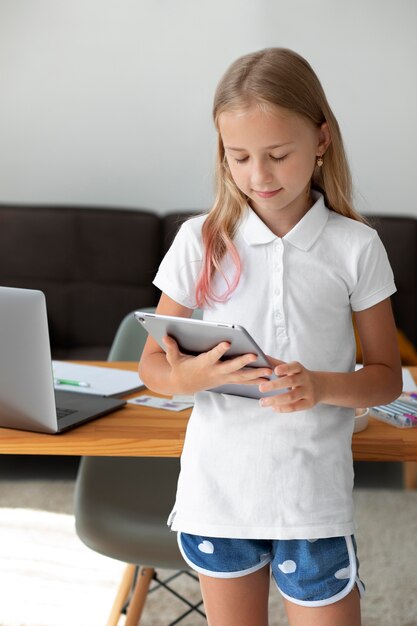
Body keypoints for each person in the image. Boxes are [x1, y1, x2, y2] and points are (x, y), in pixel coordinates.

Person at [138, 48, 402, 626]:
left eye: (278, 156)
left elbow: (386, 379)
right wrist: (188, 375)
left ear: (321, 141)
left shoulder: (356, 247)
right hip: (218, 498)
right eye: (239, 157)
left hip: (313, 504)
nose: (259, 176)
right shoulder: (200, 240)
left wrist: (320, 387)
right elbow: (152, 364)